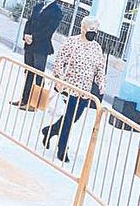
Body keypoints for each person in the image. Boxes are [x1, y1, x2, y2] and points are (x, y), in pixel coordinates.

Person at [39, 15, 106, 163]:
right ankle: (63, 148)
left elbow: (100, 68)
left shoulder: (96, 47)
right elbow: (59, 61)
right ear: (83, 28)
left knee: (75, 117)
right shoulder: (72, 42)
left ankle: (50, 131)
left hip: (85, 90)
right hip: (69, 87)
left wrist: (101, 83)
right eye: (91, 29)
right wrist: (59, 79)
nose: (93, 32)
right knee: (69, 117)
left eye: (96, 30)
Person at [12, 0, 63, 109]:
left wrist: (33, 37)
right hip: (29, 45)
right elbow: (29, 21)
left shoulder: (56, 11)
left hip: (41, 46)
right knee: (28, 72)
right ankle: (24, 99)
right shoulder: (38, 6)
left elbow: (48, 30)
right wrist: (26, 35)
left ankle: (34, 103)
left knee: (38, 74)